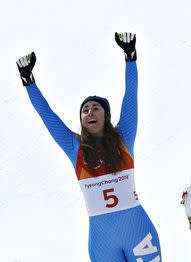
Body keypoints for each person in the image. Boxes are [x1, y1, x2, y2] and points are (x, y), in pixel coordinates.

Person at [16, 32, 161, 262]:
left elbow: (130, 97)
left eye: (96, 108)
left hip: (137, 231)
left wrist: (130, 57)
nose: (90, 112)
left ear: (106, 116)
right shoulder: (75, 148)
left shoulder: (124, 137)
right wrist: (29, 82)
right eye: (85, 110)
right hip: (102, 239)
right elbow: (47, 115)